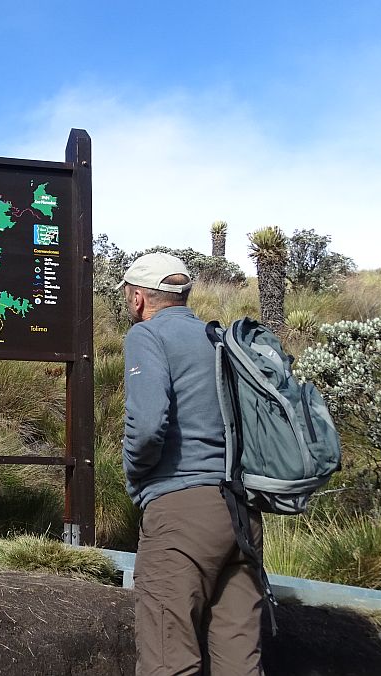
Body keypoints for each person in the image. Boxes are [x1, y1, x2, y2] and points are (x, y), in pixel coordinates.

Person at [118, 252, 264, 675]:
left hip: (181, 514)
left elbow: (146, 427)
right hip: (242, 515)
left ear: (139, 299)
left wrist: (137, 479)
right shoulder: (219, 339)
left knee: (169, 659)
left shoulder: (146, 336)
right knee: (241, 664)